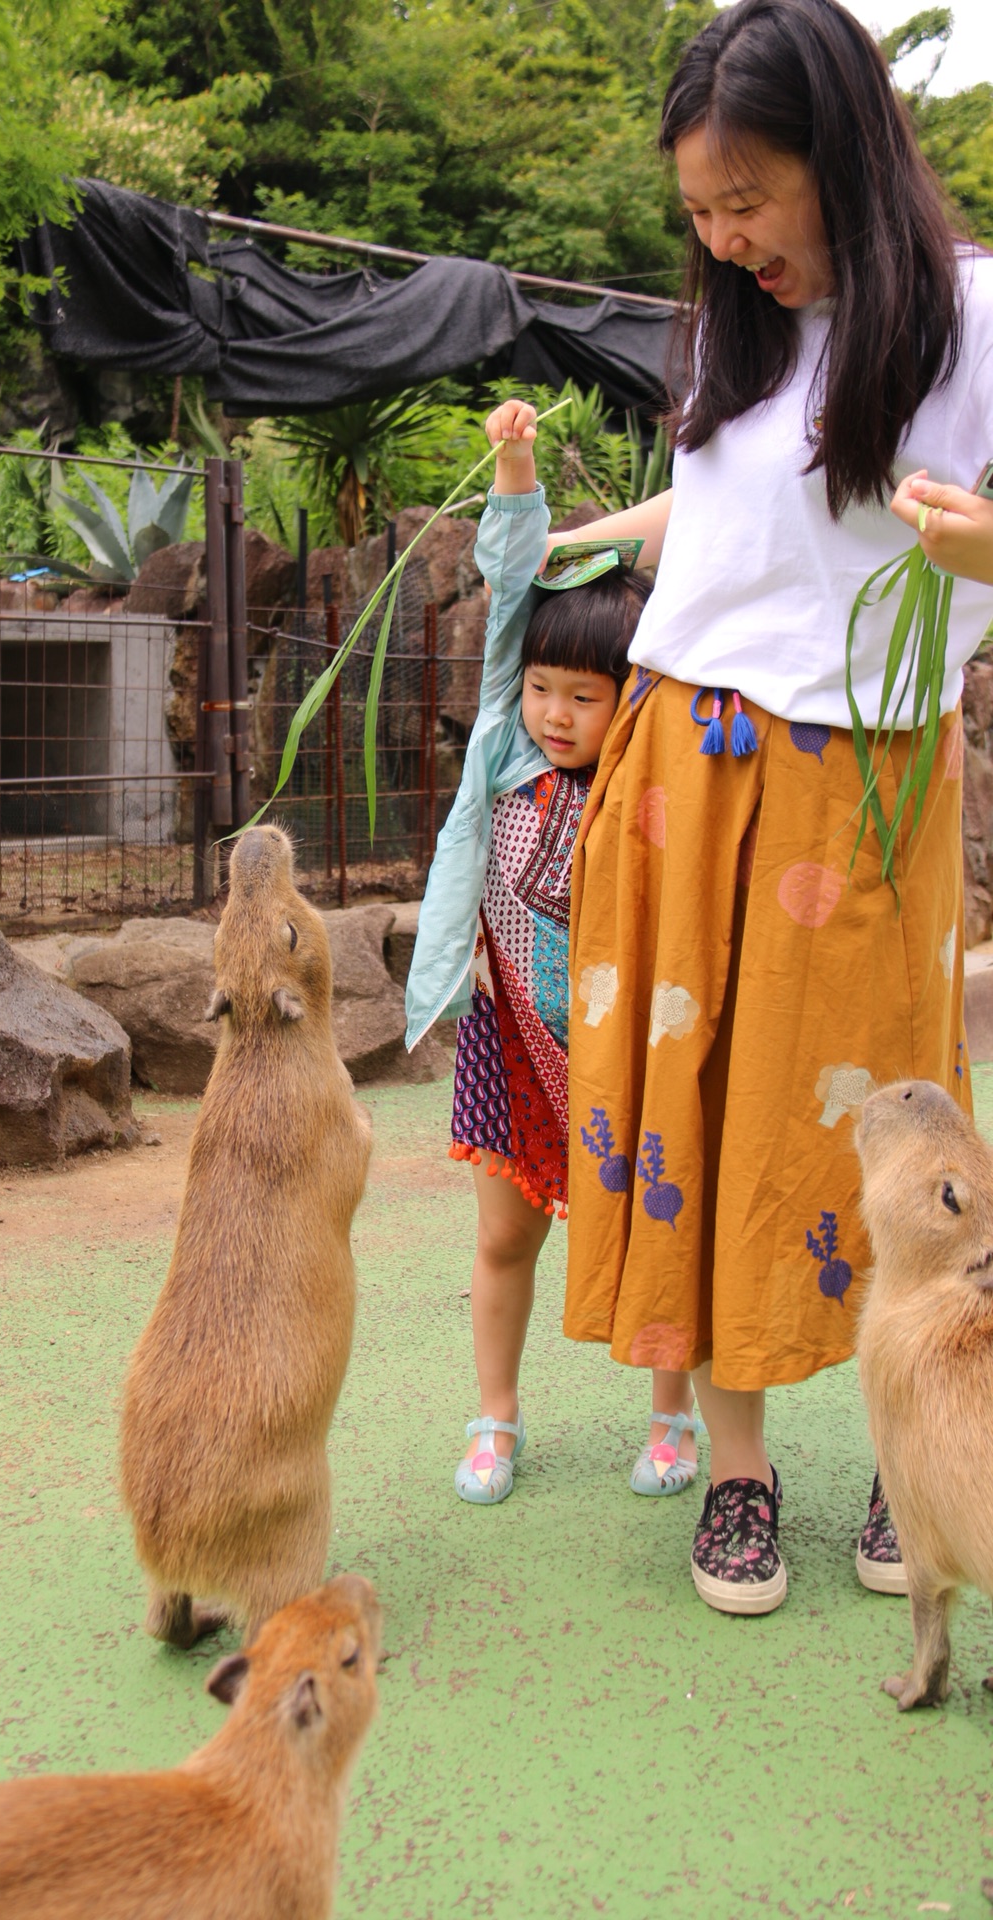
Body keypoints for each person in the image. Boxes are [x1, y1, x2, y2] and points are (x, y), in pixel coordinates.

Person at [559, 0, 993, 1613]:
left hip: (865, 783)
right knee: (703, 1117)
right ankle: (735, 1476)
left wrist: (981, 554)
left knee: (896, 1131)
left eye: (750, 201)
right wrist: (589, 531)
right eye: (701, 215)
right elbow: (741, 512)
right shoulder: (730, 332)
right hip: (682, 769)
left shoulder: (974, 317)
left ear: (846, 163)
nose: (728, 239)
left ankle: (908, 1458)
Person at [406, 401, 701, 1505]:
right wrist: (516, 464)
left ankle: (670, 1421)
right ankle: (494, 1416)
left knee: (657, 1229)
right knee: (500, 1239)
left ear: (632, 698)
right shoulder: (500, 739)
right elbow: (511, 577)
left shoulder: (645, 781)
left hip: (625, 1048)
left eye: (584, 696)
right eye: (542, 689)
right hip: (512, 1038)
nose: (556, 714)